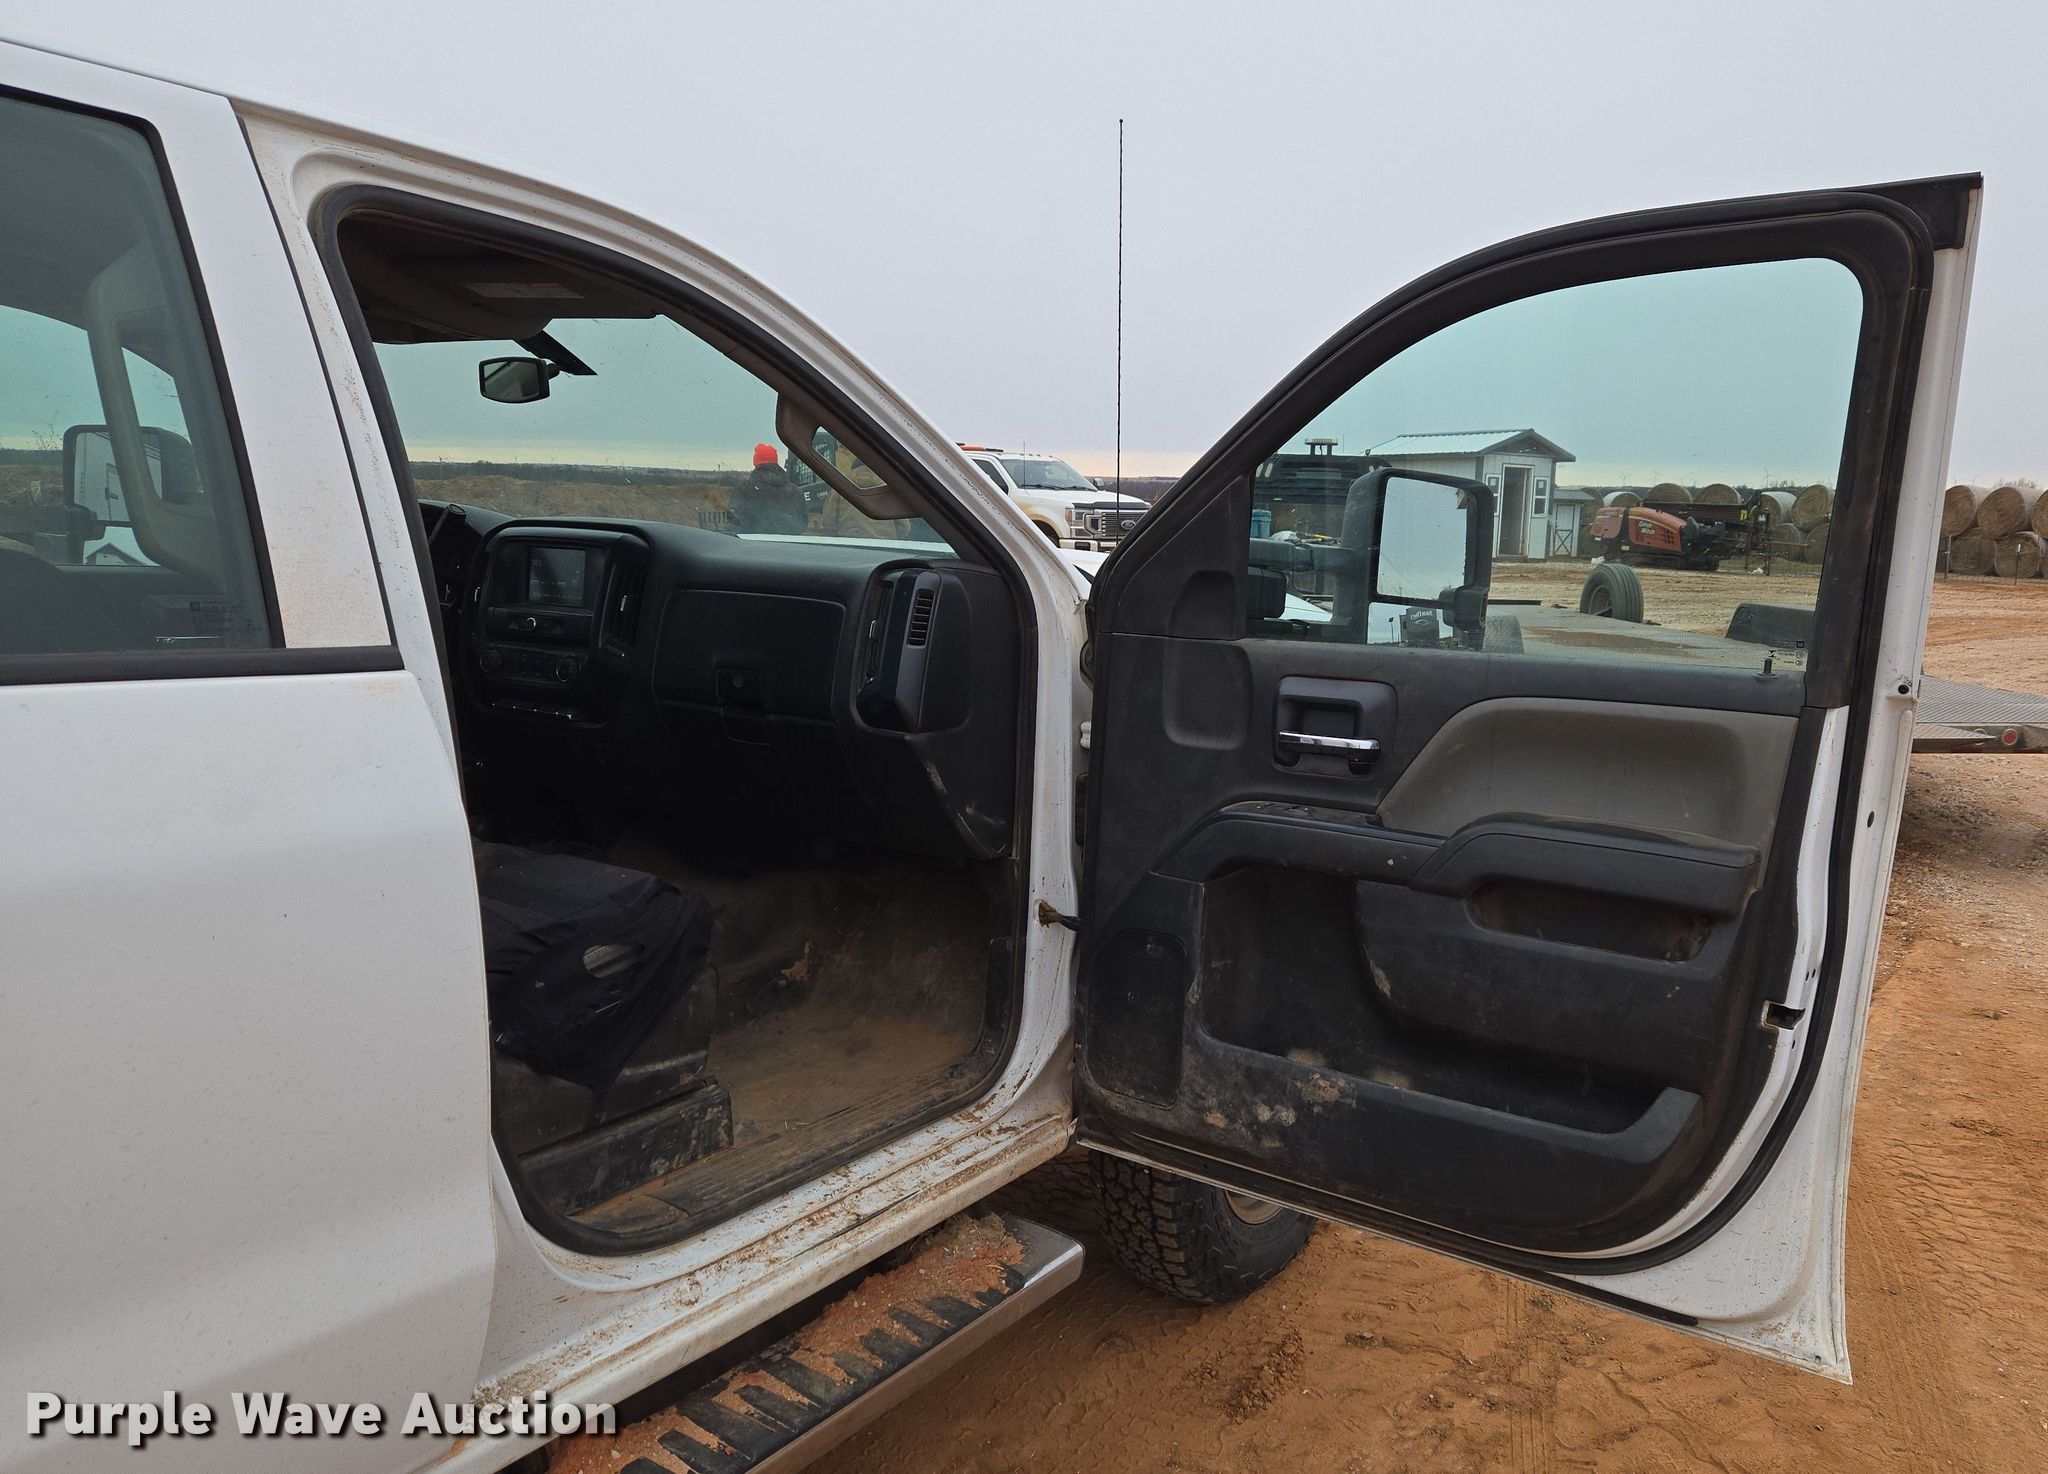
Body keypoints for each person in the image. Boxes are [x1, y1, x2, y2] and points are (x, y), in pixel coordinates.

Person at [735, 443, 807, 534]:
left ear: (756, 464)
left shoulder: (744, 489)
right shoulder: (795, 491)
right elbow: (802, 523)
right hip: (787, 542)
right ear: (776, 463)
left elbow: (734, 521)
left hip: (751, 541)